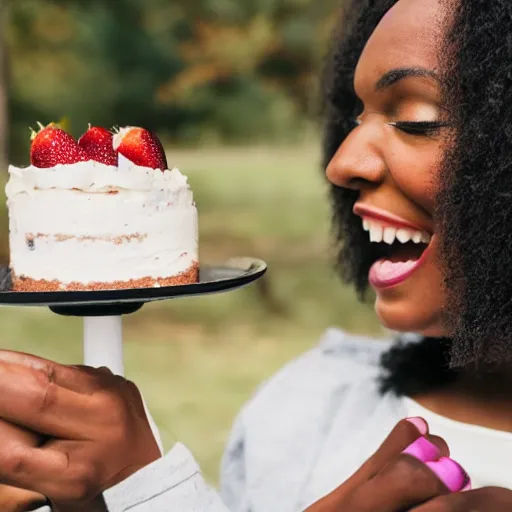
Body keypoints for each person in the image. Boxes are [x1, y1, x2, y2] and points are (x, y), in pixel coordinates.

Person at [1, 0, 512, 509]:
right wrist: (129, 490)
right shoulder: (306, 407)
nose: (342, 163)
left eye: (417, 119)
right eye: (355, 118)